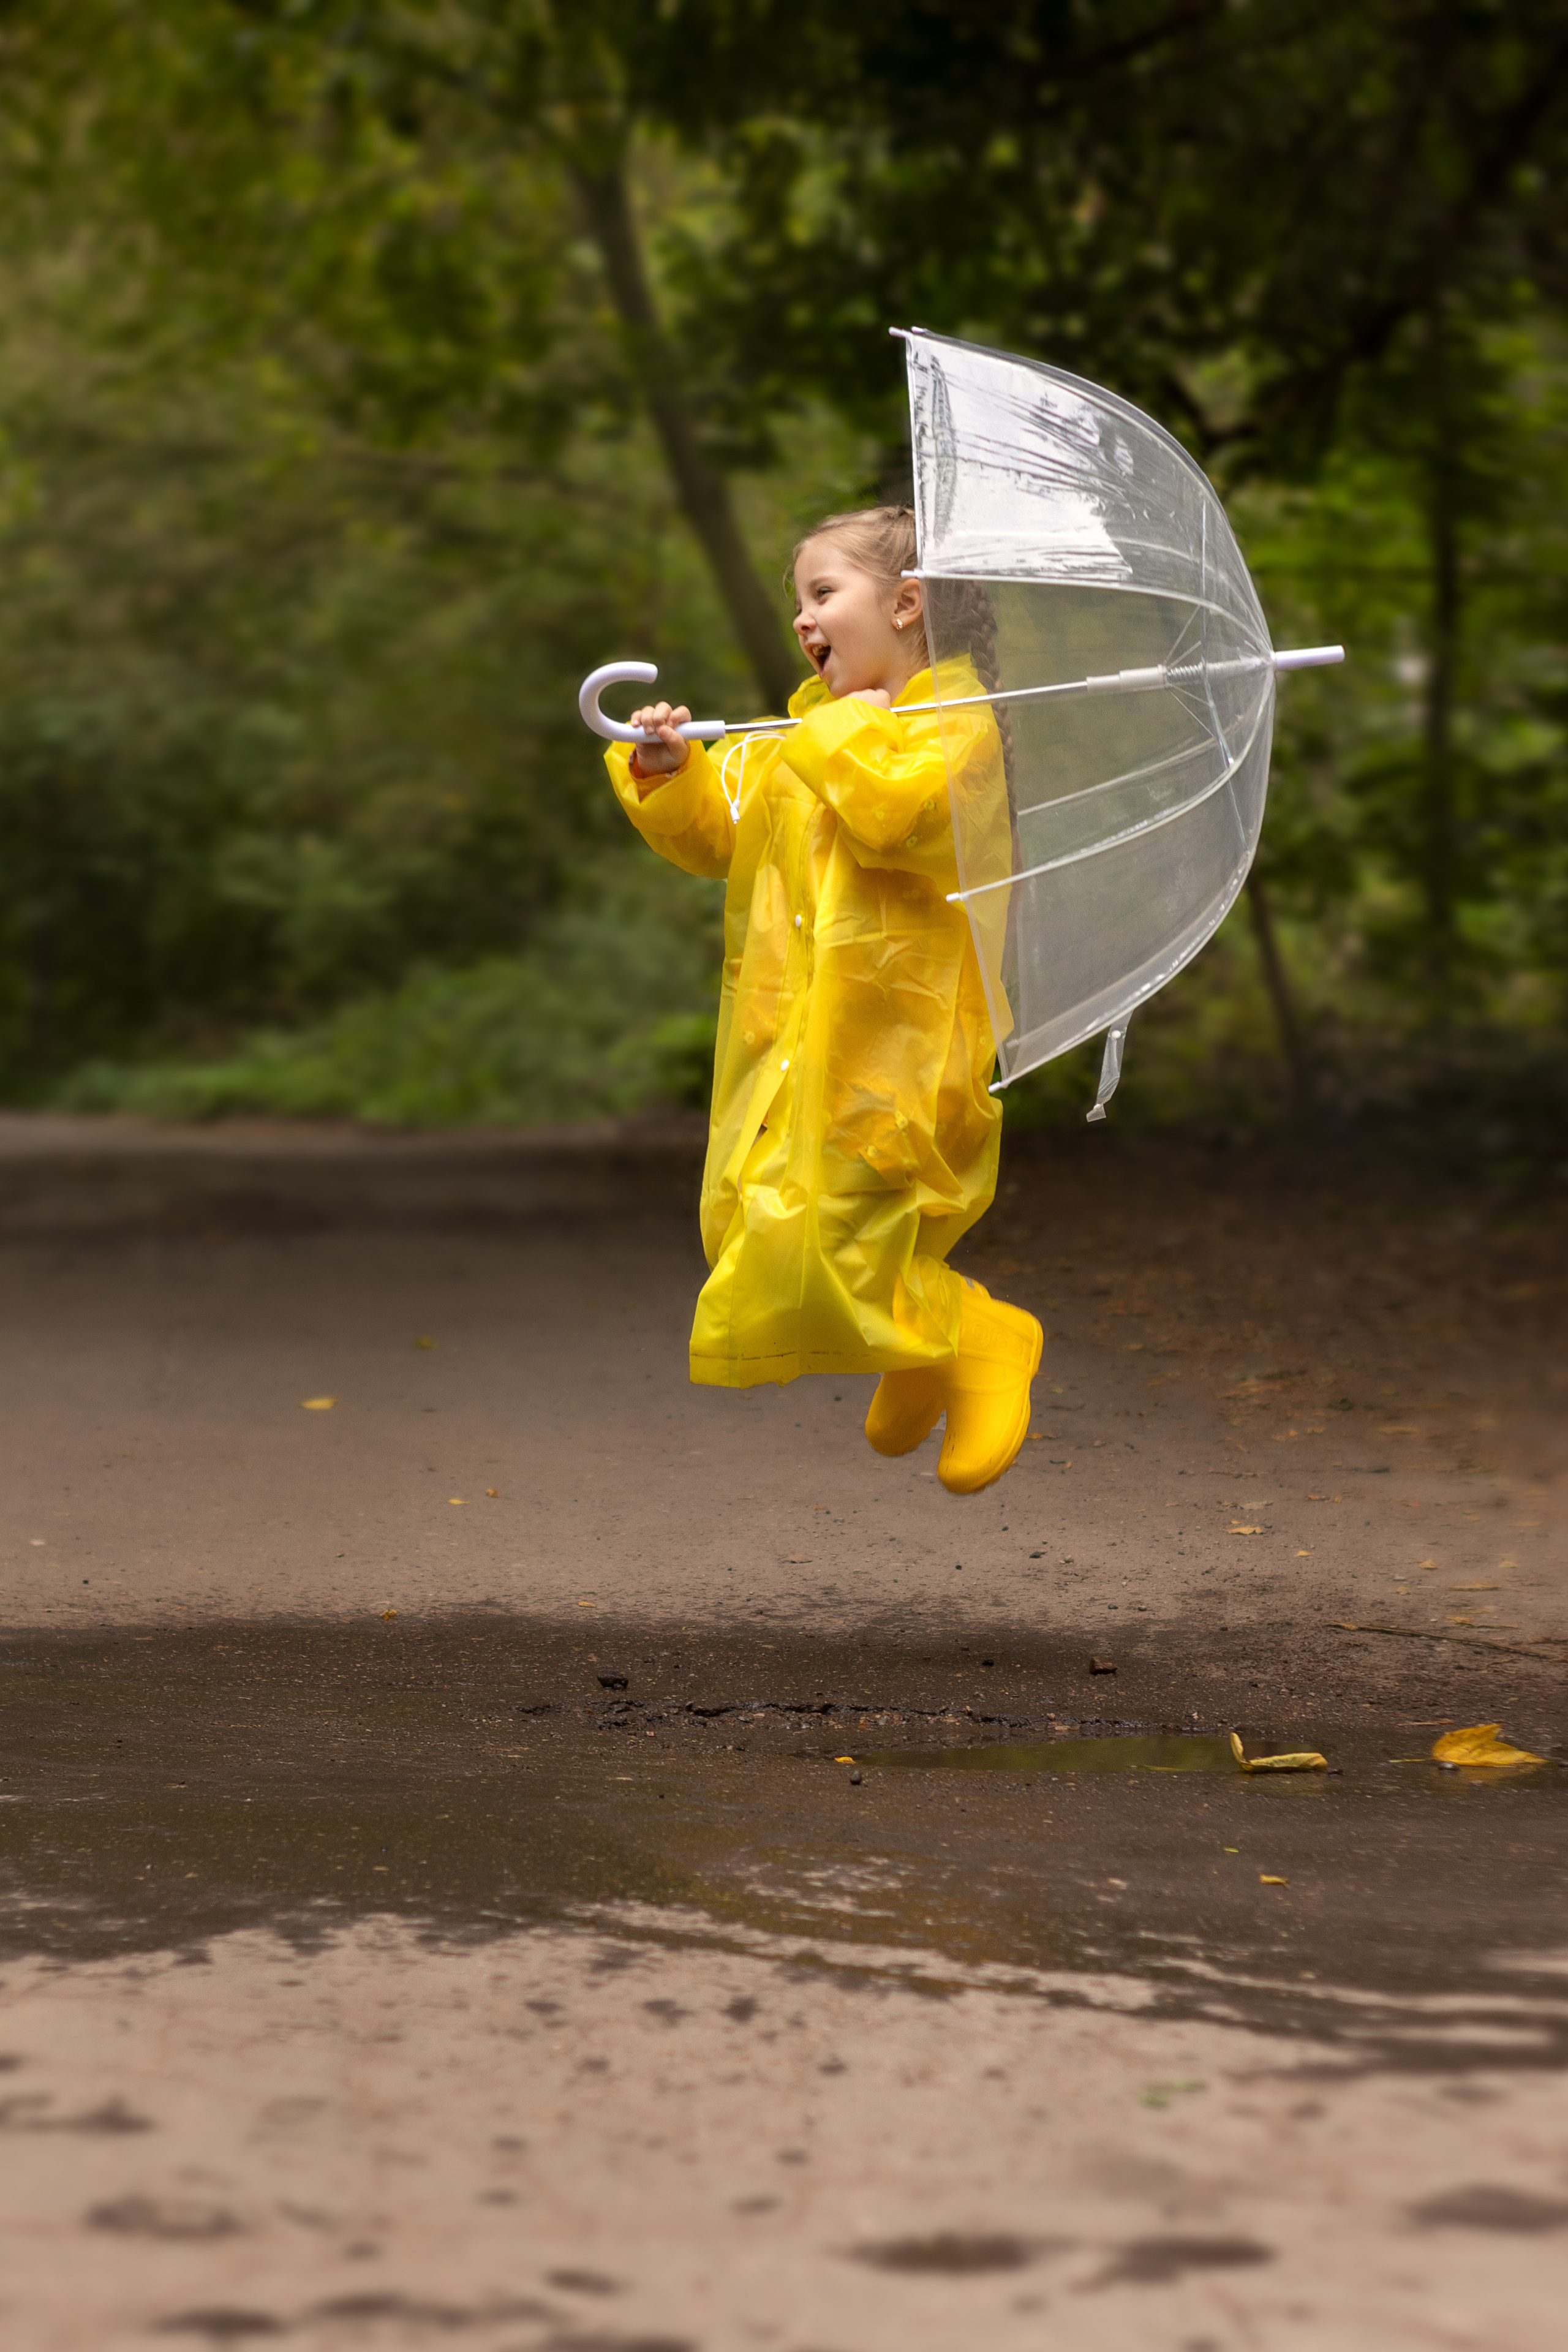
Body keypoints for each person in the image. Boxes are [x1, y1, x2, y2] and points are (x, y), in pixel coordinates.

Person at [604, 505, 1041, 1493]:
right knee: (758, 1222)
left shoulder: (954, 726)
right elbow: (720, 836)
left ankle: (978, 1341)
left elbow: (890, 811)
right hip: (800, 1033)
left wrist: (831, 725)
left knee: (846, 1227)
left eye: (823, 593)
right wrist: (670, 774)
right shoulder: (808, 730)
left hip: (900, 1043)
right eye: (797, 601)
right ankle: (919, 1355)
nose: (803, 620)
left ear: (906, 604)